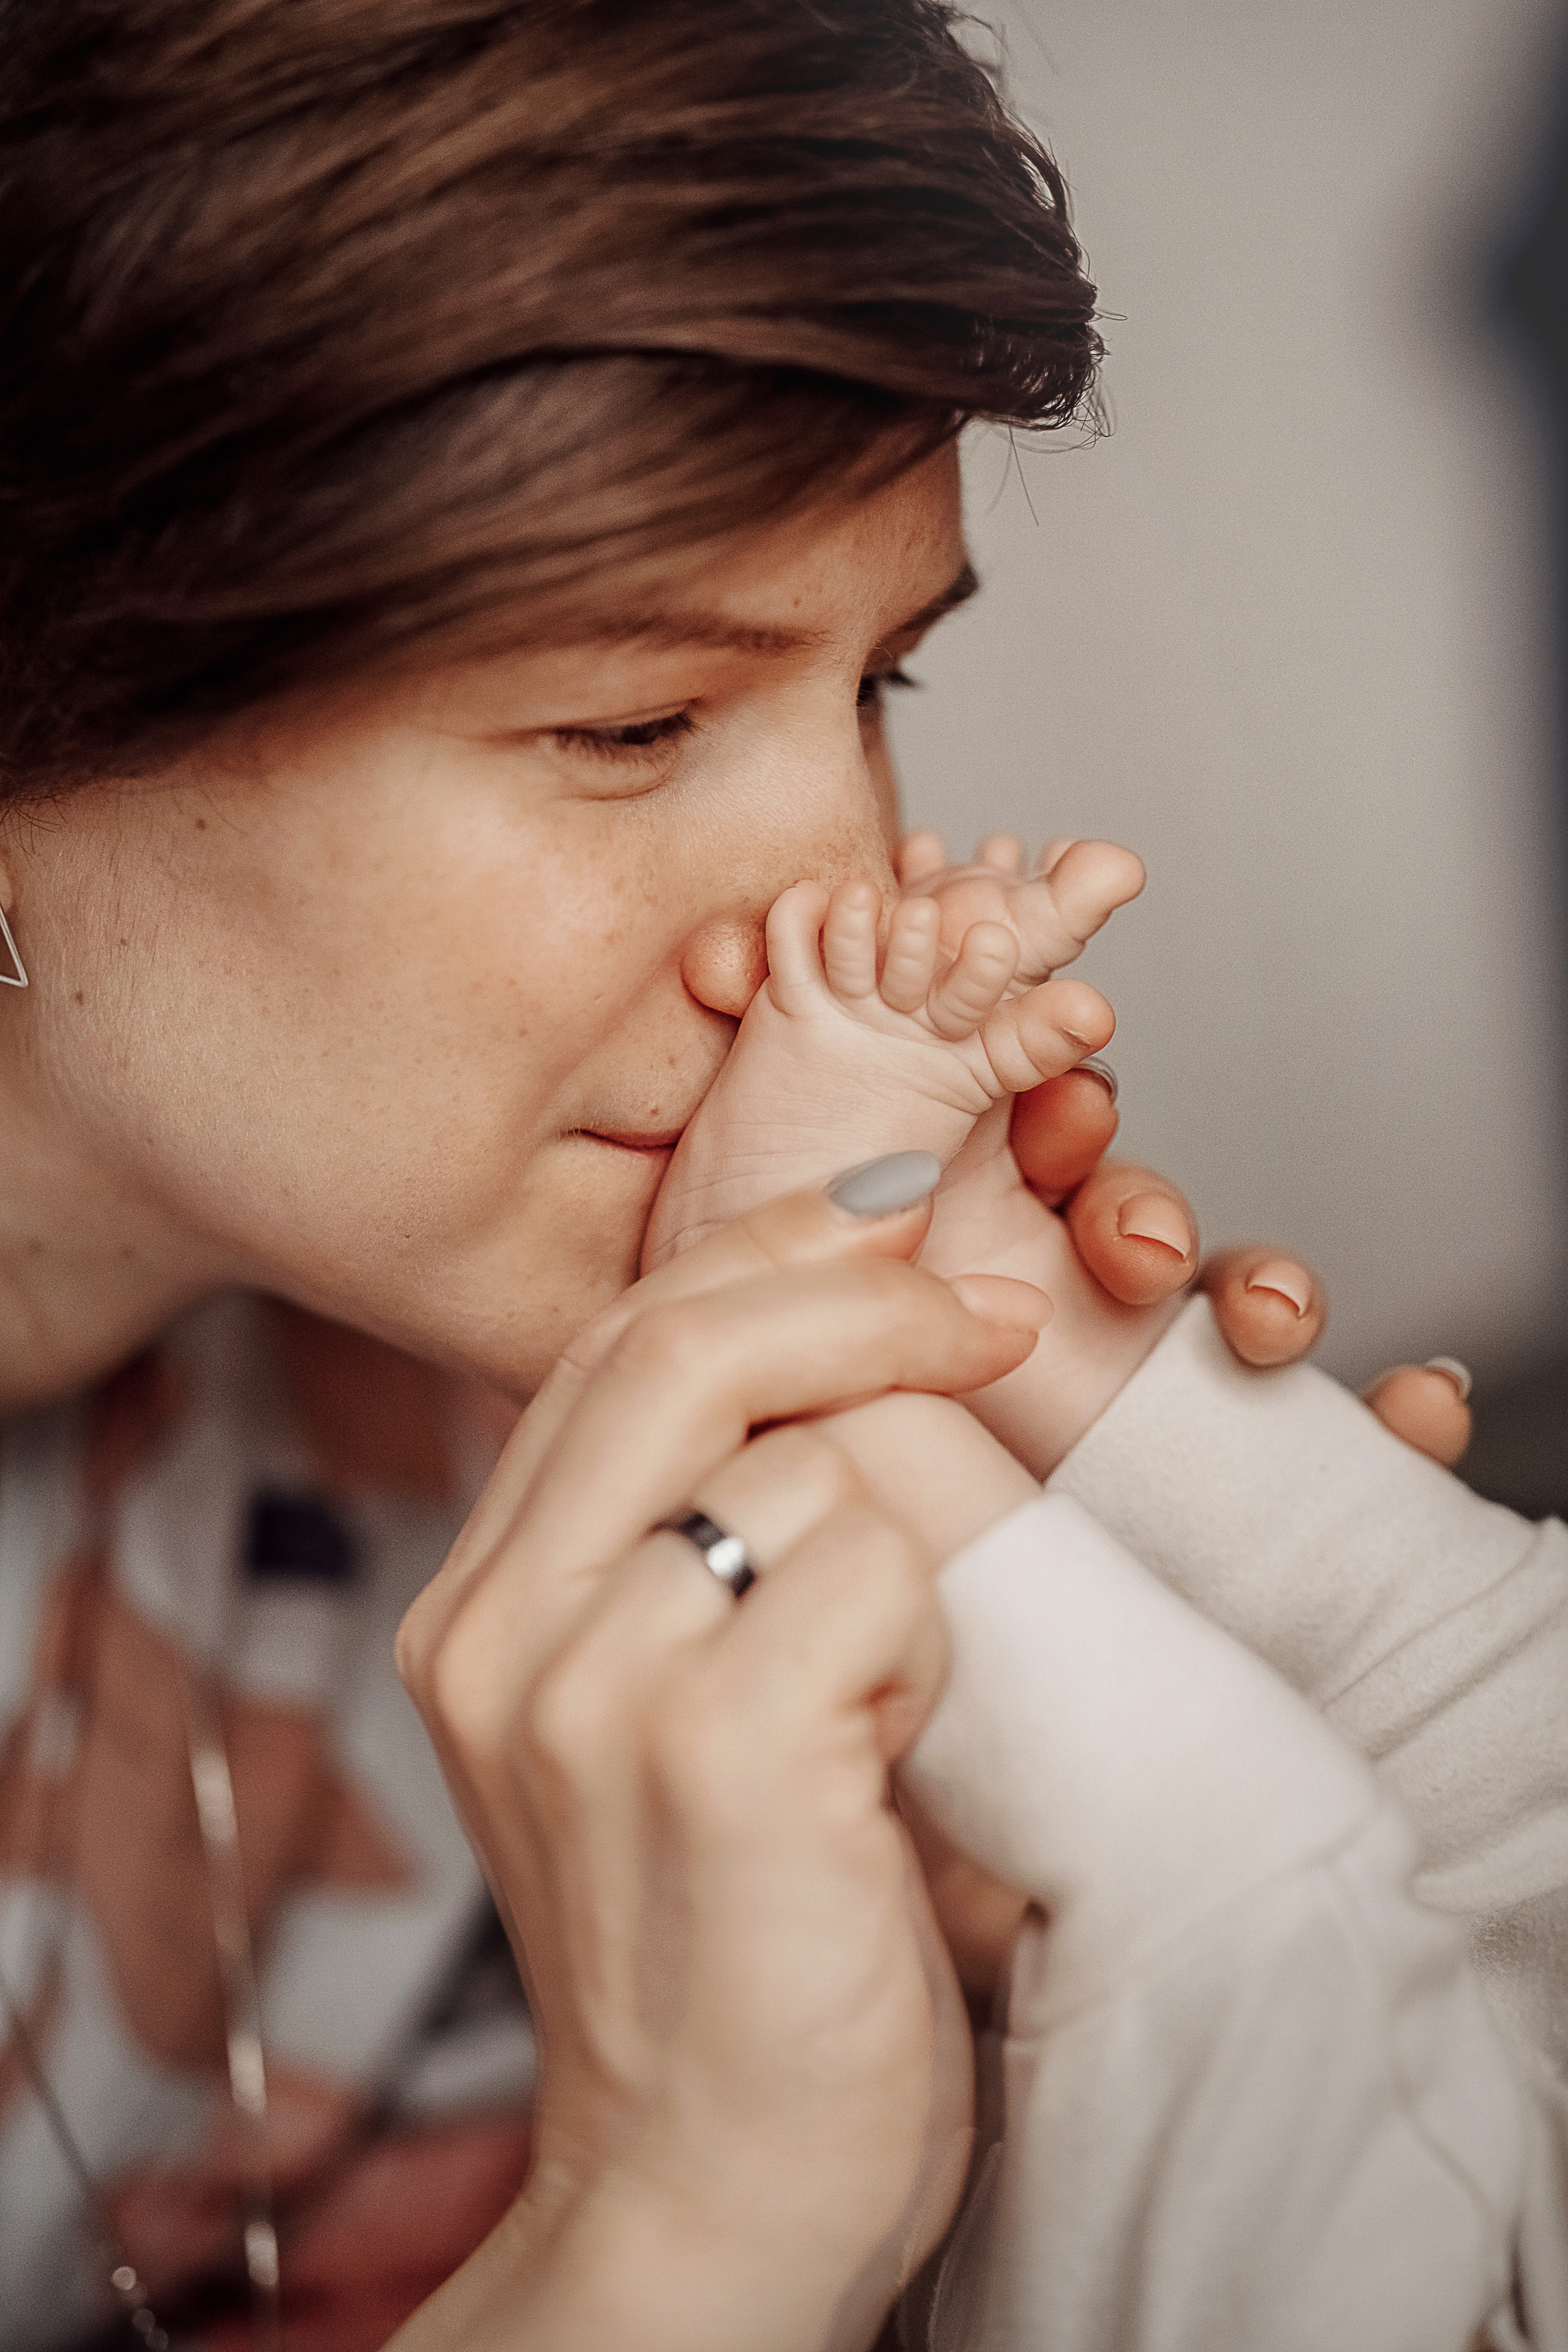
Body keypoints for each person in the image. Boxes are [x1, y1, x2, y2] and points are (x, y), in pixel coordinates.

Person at [0, 2, 1489, 2347]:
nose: (840, 901)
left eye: (880, 686)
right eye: (630, 723)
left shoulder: (544, 1401)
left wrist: (1029, 1966)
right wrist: (654, 2232)